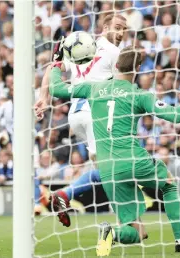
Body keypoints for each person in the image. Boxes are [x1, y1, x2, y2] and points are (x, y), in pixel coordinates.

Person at [48, 46, 180, 255]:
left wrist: (56, 64)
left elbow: (55, 89)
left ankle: (111, 233)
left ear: (116, 66)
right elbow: (176, 115)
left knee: (137, 232)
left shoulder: (92, 88)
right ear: (137, 69)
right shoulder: (139, 95)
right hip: (133, 159)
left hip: (108, 169)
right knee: (169, 186)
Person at [34, 14, 127, 227]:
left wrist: (43, 98)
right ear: (105, 27)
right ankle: (66, 194)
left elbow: (53, 67)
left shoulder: (82, 46)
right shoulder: (114, 52)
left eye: (124, 29)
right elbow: (123, 87)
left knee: (108, 168)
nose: (121, 33)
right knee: (112, 168)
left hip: (76, 116)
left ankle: (124, 217)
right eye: (117, 27)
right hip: (97, 113)